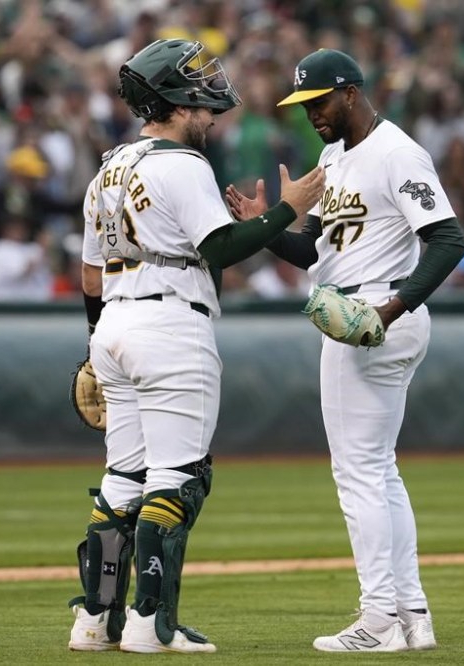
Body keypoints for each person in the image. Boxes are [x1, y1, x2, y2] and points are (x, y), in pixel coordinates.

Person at [67, 38, 325, 654]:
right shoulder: (182, 164)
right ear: (178, 100)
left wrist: (94, 345)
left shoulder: (109, 167)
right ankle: (152, 623)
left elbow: (88, 273)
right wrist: (287, 212)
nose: (211, 114)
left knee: (122, 478)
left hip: (115, 325)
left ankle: (95, 620)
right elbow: (221, 251)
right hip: (170, 324)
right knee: (177, 480)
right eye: (203, 102)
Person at [226, 48, 464, 653]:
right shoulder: (334, 156)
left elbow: (448, 239)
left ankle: (377, 617)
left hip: (376, 313)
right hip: (359, 308)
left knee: (356, 471)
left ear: (352, 93)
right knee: (379, 470)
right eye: (304, 104)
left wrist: (392, 308)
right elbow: (314, 255)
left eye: (319, 100)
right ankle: (411, 615)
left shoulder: (398, 152)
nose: (311, 113)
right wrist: (267, 228)